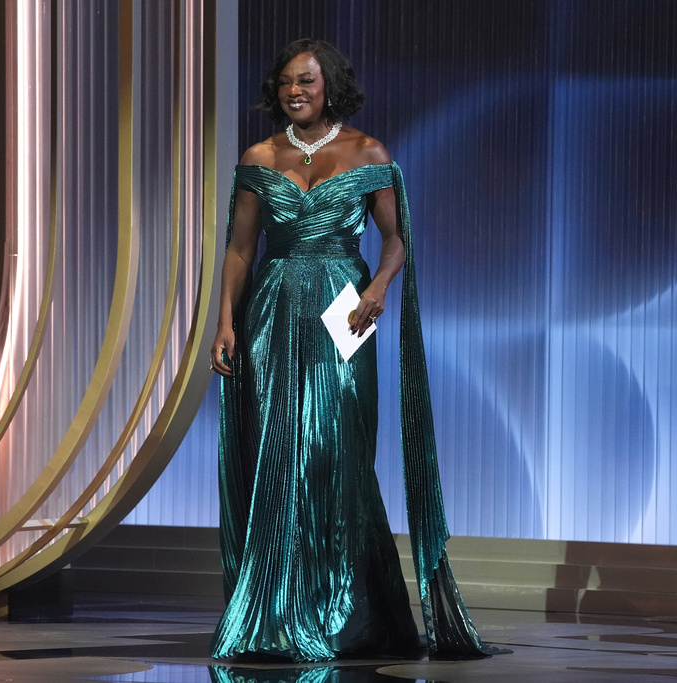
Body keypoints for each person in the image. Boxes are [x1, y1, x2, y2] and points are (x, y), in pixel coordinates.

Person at [209, 38, 492, 663]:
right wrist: (225, 322)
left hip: (345, 308)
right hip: (272, 310)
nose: (294, 92)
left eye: (306, 81)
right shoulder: (259, 155)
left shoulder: (368, 152)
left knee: (337, 451)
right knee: (277, 453)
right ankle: (273, 613)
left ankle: (347, 614)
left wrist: (378, 288)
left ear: (329, 84)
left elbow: (395, 240)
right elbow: (239, 250)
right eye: (286, 83)